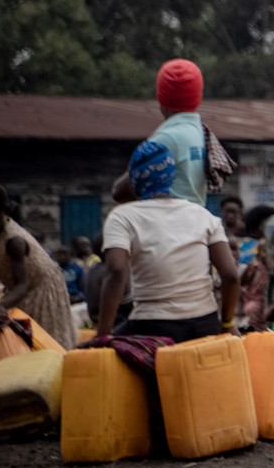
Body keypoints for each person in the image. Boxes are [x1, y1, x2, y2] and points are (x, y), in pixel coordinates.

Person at [95, 142, 238, 343]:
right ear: (171, 177)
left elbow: (116, 270)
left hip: (151, 326)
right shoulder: (202, 215)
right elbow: (230, 275)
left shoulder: (122, 216)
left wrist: (103, 334)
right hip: (205, 323)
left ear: (134, 179)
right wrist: (226, 323)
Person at [110, 59, 214, 207]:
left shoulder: (166, 138)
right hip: (196, 223)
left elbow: (118, 192)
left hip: (167, 225)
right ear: (198, 96)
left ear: (161, 96)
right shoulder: (202, 133)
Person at [0, 184, 78, 347]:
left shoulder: (13, 241)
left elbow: (22, 285)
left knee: (44, 344)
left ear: (2, 211)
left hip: (40, 290)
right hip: (18, 290)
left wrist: (2, 306)